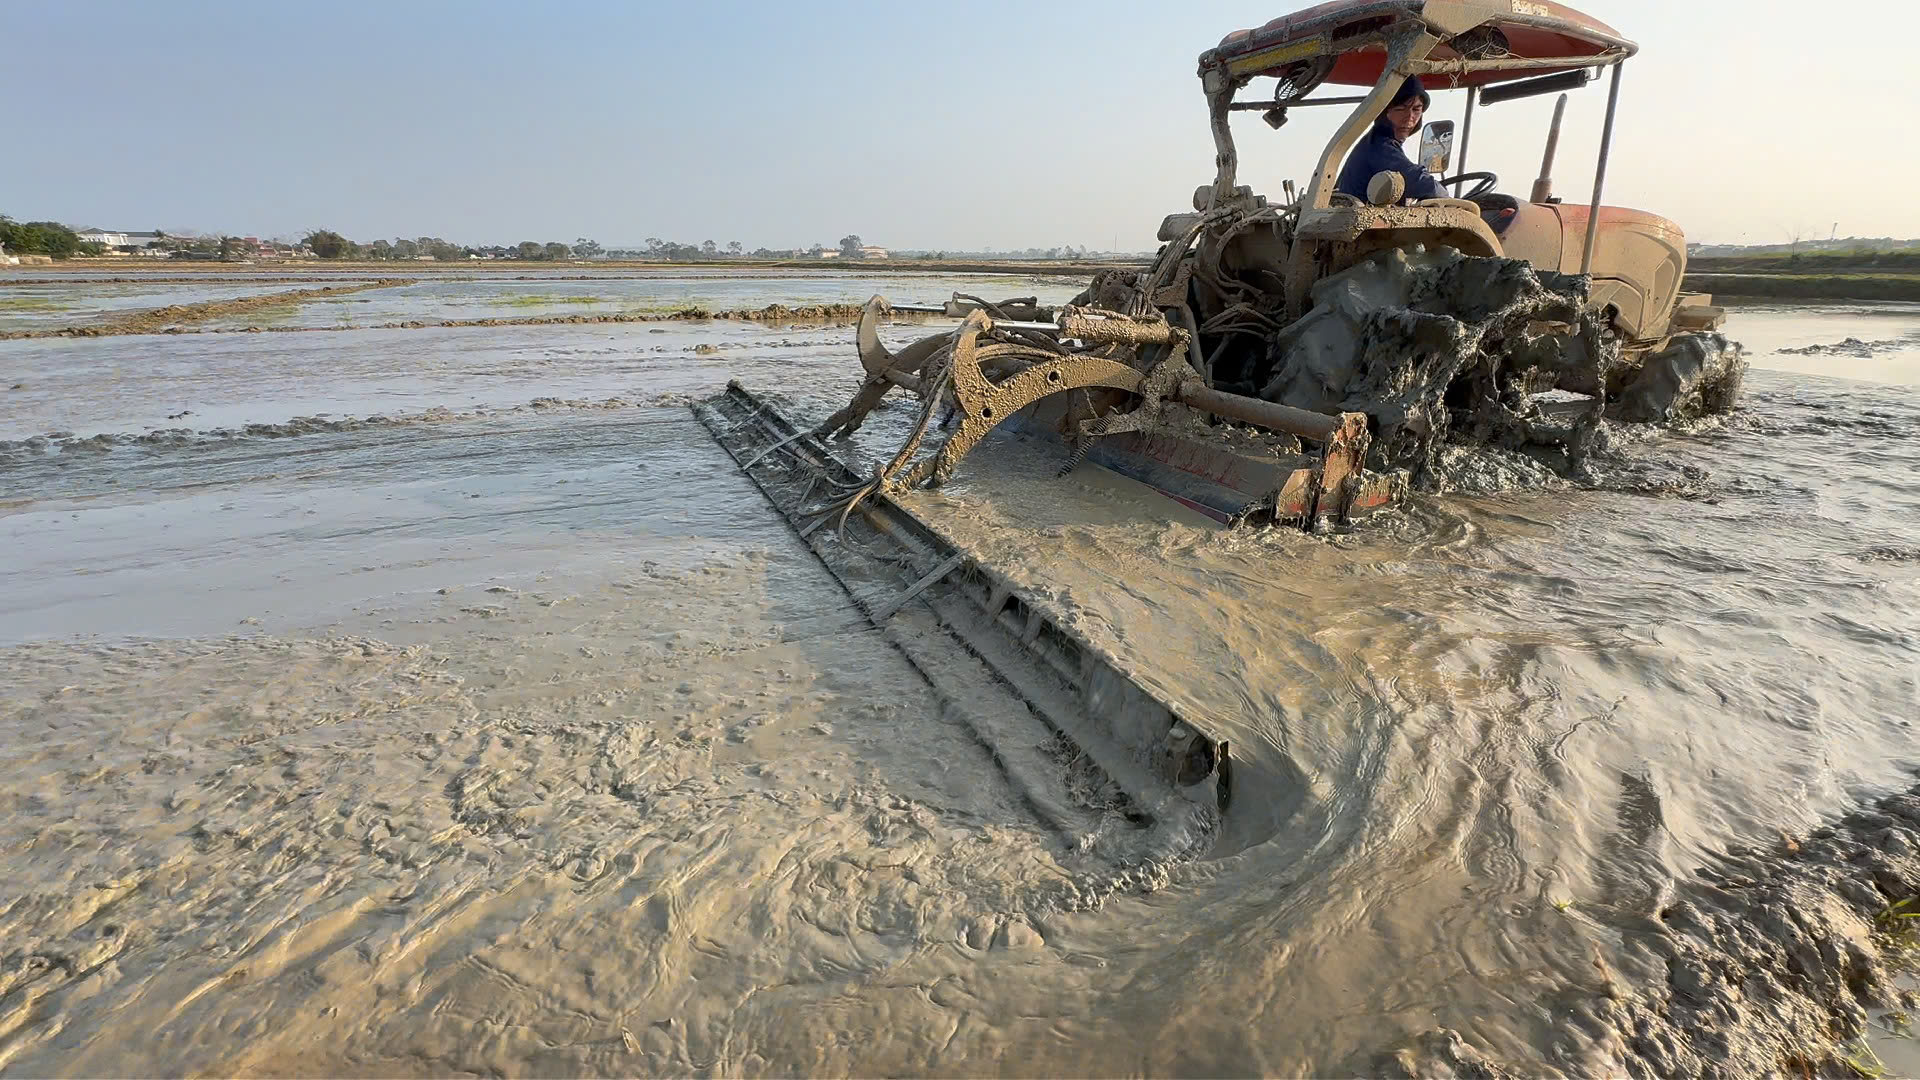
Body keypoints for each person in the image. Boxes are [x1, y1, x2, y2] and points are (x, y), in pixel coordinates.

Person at [1335, 76, 1444, 204]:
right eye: (1400, 109)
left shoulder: (1379, 143)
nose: (1409, 117)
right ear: (1384, 111)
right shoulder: (1379, 146)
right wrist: (1450, 199)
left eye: (1416, 109)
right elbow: (1418, 182)